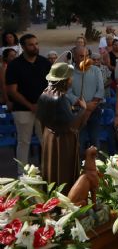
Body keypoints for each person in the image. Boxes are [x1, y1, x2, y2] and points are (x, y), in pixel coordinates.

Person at [37, 63, 94, 192]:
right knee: (63, 171)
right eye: (70, 77)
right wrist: (83, 109)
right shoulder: (60, 99)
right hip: (62, 141)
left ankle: (51, 198)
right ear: (64, 80)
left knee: (51, 169)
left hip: (49, 137)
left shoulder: (44, 93)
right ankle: (65, 202)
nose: (71, 80)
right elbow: (72, 125)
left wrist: (71, 109)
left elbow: (45, 118)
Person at [6, 34, 51, 173]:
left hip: (42, 108)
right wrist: (31, 106)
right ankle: (23, 174)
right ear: (23, 47)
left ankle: (47, 171)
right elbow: (12, 90)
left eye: (36, 44)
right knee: (24, 142)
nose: (35, 47)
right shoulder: (14, 65)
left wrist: (41, 103)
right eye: (31, 44)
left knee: (45, 141)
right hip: (22, 109)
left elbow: (51, 85)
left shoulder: (45, 62)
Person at [67, 46, 105, 151]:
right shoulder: (69, 72)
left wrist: (88, 109)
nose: (85, 59)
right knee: (79, 141)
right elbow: (68, 93)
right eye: (81, 56)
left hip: (94, 109)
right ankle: (78, 166)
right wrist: (84, 106)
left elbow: (100, 90)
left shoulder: (96, 70)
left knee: (95, 140)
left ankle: (96, 165)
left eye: (87, 56)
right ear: (74, 57)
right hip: (77, 110)